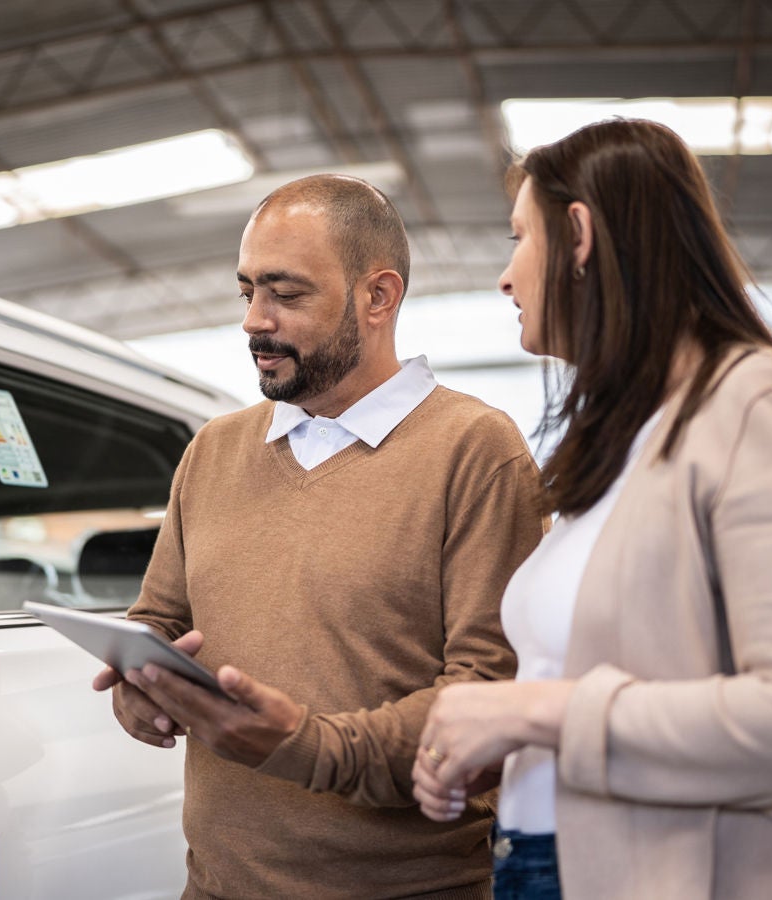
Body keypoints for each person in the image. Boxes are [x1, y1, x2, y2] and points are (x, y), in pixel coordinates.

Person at [411, 119, 772, 899]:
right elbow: (626, 689)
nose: (506, 277)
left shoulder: (765, 410)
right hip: (553, 864)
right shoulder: (625, 439)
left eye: (517, 239)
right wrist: (503, 748)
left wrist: (533, 715)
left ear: (579, 236)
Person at [92, 174, 547, 899]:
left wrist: (301, 747)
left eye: (286, 294)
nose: (254, 320)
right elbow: (160, 619)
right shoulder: (214, 449)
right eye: (247, 292)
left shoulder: (475, 449)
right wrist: (139, 688)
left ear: (378, 297)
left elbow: (489, 694)